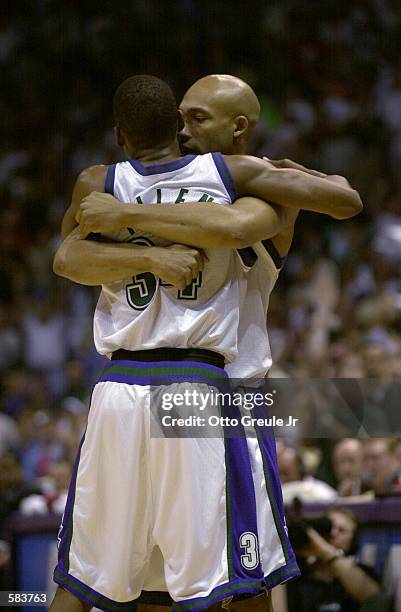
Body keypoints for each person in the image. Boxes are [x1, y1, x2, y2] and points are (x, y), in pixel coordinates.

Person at [51, 75, 361, 612]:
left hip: (163, 391)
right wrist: (151, 255)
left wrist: (128, 221)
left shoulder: (115, 185)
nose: (187, 130)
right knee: (229, 585)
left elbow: (324, 204)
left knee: (116, 583)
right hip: (203, 391)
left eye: (199, 119)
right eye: (184, 118)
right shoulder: (245, 184)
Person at [286, 507, 380, 612]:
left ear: (353, 539)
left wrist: (326, 551)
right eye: (327, 527)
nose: (333, 534)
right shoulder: (299, 575)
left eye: (341, 530)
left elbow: (374, 599)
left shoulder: (361, 573)